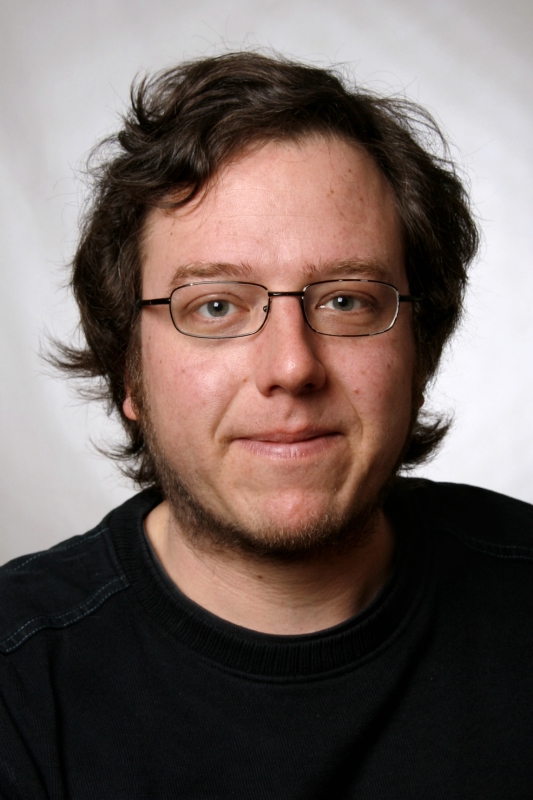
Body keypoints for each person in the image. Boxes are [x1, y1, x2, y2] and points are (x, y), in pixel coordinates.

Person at [1, 52, 532, 799]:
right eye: (215, 305)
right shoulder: (18, 679)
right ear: (129, 373)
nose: (291, 366)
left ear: (421, 351)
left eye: (347, 300)